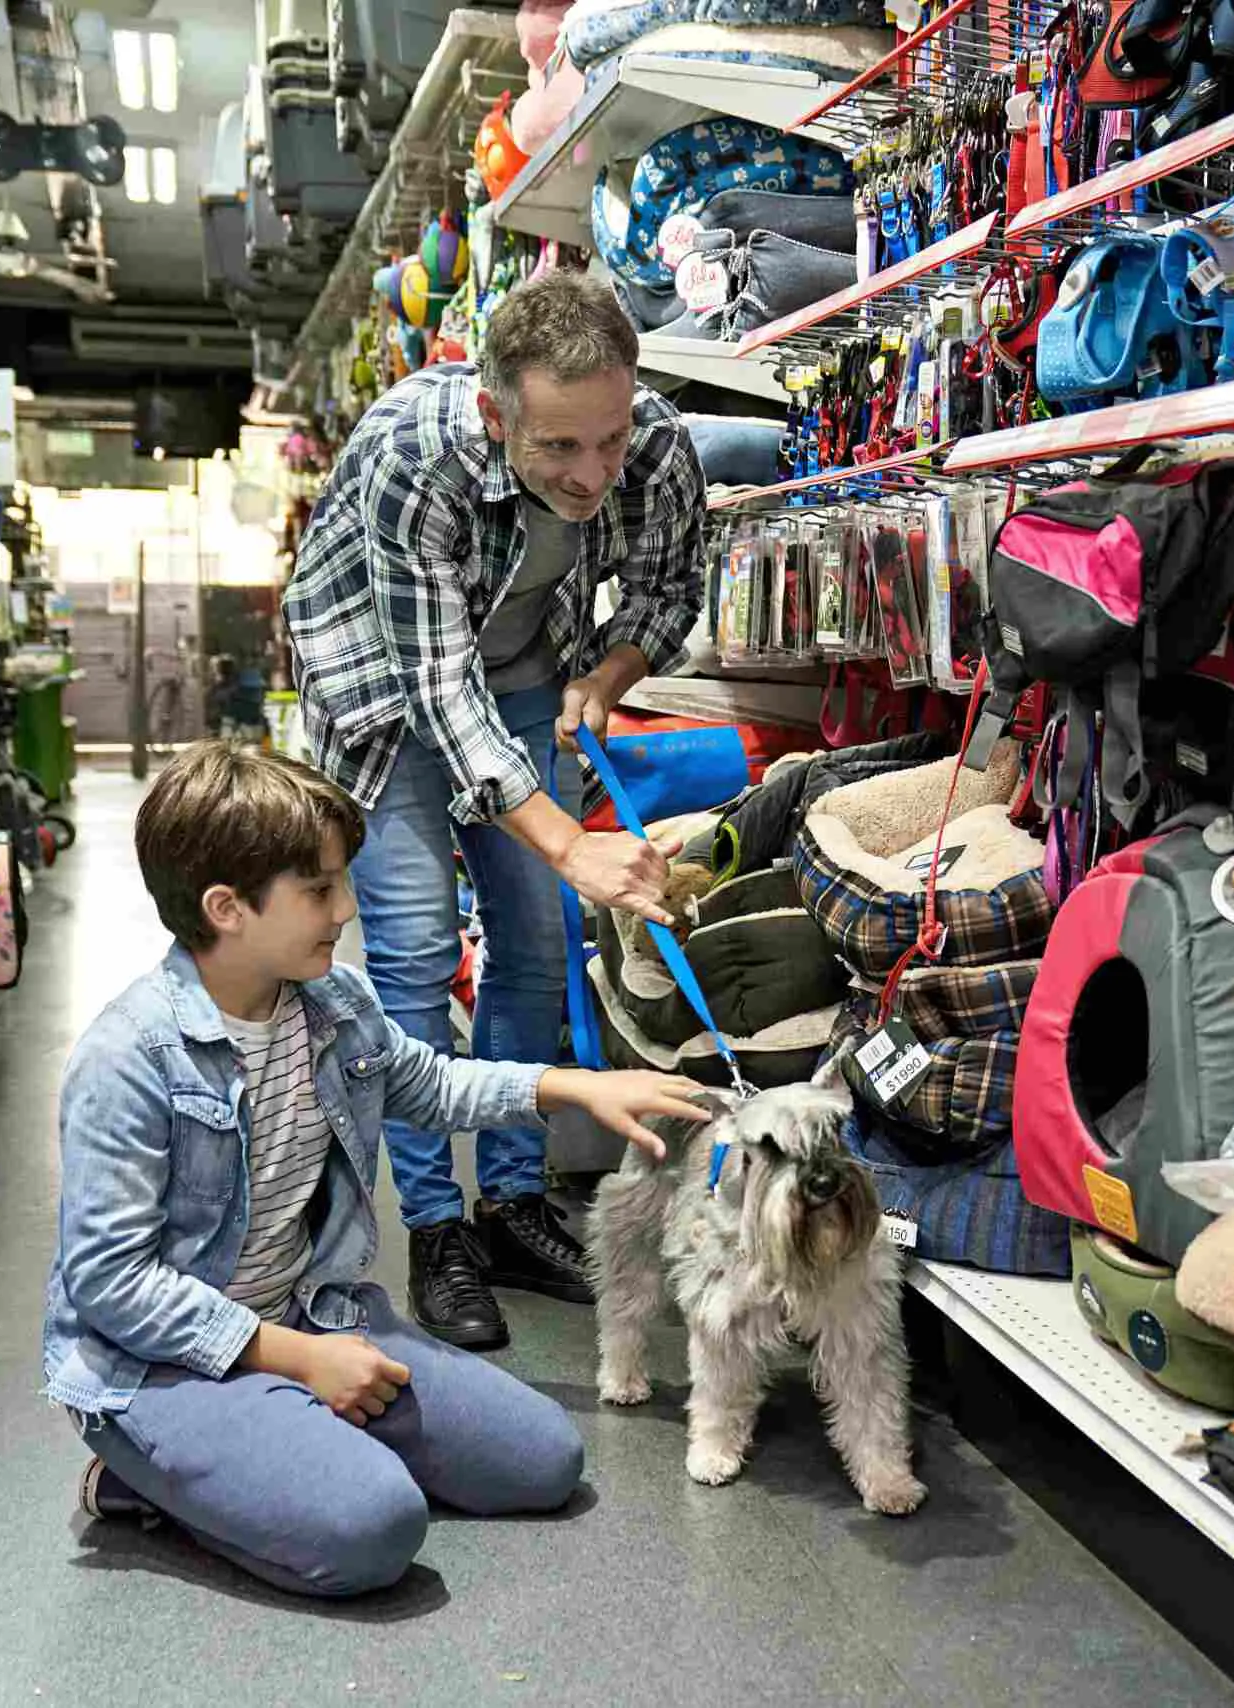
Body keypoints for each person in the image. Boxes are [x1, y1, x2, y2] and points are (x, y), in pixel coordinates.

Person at [42, 741, 710, 1597]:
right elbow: (110, 1285)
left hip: (307, 1311)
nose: (347, 907)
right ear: (226, 908)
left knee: (545, 1461)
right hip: (160, 1366)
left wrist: (574, 1085)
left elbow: (431, 1082)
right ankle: (141, 1480)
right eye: (320, 889)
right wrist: (294, 1362)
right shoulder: (129, 1057)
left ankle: (270, 1451)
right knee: (373, 1527)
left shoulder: (334, 1006)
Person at [284, 269, 708, 1348]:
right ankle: (435, 1227)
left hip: (523, 677)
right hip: (383, 686)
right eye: (559, 448)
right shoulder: (409, 455)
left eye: (607, 440)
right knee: (418, 953)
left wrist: (605, 679)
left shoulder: (650, 442)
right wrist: (570, 844)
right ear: (494, 414)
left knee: (533, 942)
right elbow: (435, 687)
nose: (593, 472)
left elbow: (669, 589)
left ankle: (512, 1203)